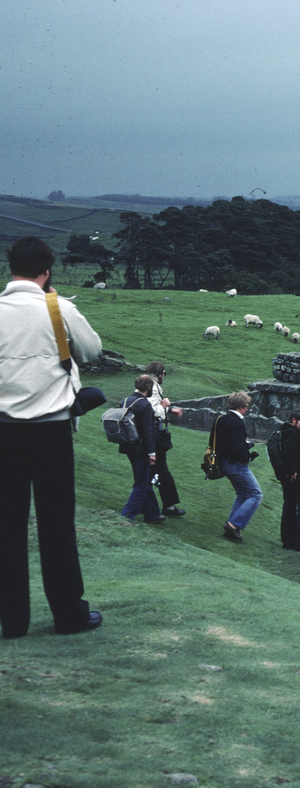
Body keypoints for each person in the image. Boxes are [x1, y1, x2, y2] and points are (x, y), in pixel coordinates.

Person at [0, 236, 104, 637]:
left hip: (4, 431)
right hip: (51, 430)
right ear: (46, 271)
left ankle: (12, 620)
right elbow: (92, 350)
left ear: (12, 267)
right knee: (56, 523)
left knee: (6, 523)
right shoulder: (57, 307)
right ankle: (68, 614)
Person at [215, 391, 262, 543]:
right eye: (246, 406)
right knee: (256, 494)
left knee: (242, 495)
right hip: (237, 465)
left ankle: (232, 527)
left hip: (225, 464)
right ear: (241, 407)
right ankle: (233, 524)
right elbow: (236, 448)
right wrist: (247, 457)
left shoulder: (222, 419)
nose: (247, 409)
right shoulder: (238, 423)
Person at [118, 375, 165, 524]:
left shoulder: (125, 401)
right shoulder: (144, 405)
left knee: (143, 479)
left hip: (128, 446)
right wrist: (152, 453)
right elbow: (148, 432)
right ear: (148, 388)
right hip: (141, 449)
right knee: (141, 484)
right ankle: (127, 515)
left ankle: (152, 514)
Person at [146, 361, 185, 517]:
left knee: (160, 471)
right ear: (160, 373)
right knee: (157, 471)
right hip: (153, 435)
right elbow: (151, 411)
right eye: (164, 374)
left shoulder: (148, 385)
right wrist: (164, 406)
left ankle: (168, 505)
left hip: (151, 434)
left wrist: (169, 409)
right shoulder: (153, 388)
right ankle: (145, 505)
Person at [277, 410, 300, 551]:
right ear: (293, 420)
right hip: (295, 476)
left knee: (289, 506)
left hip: (287, 476)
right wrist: (293, 471)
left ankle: (289, 542)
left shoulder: (284, 431)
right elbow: (288, 453)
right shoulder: (292, 434)